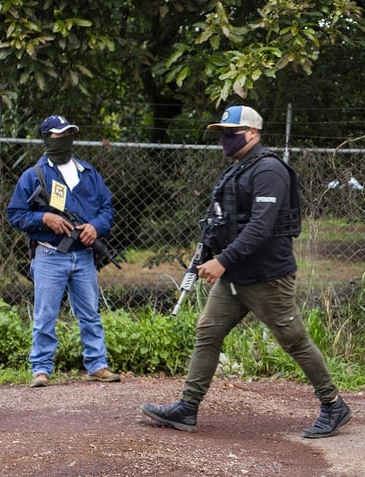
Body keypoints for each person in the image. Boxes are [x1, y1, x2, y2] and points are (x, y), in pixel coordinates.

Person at [140, 105, 351, 438]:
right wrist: (210, 254)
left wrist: (222, 260)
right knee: (207, 332)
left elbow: (260, 227)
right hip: (236, 276)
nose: (225, 139)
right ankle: (187, 407)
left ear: (253, 132)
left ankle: (333, 404)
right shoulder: (239, 168)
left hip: (267, 276)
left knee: (294, 341)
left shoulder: (268, 170)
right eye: (222, 133)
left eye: (231, 132)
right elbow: (225, 222)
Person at [7, 115, 120, 388]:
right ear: (47, 139)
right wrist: (45, 219)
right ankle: (41, 369)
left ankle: (97, 365)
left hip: (82, 255)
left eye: (68, 133)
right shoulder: (34, 176)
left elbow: (108, 208)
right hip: (48, 255)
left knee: (90, 313)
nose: (64, 139)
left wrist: (95, 227)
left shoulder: (88, 173)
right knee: (45, 315)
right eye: (58, 135)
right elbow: (15, 214)